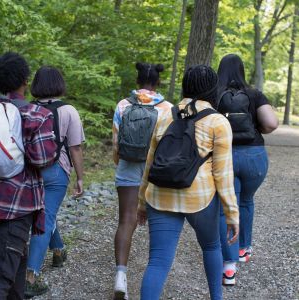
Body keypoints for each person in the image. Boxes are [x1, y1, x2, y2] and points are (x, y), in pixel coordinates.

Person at [137, 65, 239, 300]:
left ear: (185, 86)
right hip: (200, 198)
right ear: (213, 89)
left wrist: (142, 202)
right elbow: (223, 175)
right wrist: (232, 215)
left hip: (160, 196)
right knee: (212, 246)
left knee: (158, 261)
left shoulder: (164, 115)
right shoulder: (218, 122)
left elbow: (149, 164)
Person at [217, 54, 279, 285]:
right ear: (242, 71)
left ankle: (229, 266)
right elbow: (271, 124)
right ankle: (243, 249)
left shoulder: (214, 95)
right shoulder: (253, 94)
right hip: (254, 156)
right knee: (246, 201)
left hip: (225, 157)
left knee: (226, 207)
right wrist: (257, 127)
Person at [112, 62, 172, 299]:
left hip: (128, 166)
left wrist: (122, 164)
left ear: (137, 81)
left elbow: (116, 143)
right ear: (158, 83)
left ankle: (120, 277)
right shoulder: (167, 108)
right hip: (156, 172)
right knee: (157, 226)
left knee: (126, 221)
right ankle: (153, 280)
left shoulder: (123, 105)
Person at [0, 52, 57, 299]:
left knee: (15, 279)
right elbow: (43, 159)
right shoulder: (36, 114)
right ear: (24, 80)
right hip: (17, 206)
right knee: (3, 275)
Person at [25, 66, 85, 298]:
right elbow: (76, 147)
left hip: (30, 171)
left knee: (44, 214)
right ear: (60, 84)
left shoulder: (28, 109)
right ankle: (31, 276)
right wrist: (80, 177)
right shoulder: (69, 110)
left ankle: (58, 250)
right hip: (57, 171)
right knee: (46, 216)